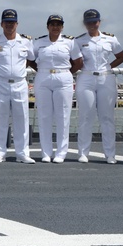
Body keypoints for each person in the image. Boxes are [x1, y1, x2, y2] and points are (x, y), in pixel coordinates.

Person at [0, 9, 35, 164]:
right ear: (1, 24)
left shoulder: (26, 41)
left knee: (22, 118)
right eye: (6, 22)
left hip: (19, 83)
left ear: (17, 24)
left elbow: (31, 58)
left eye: (12, 22)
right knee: (0, 118)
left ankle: (22, 153)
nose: (9, 25)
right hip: (1, 83)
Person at [74, 9, 123, 164]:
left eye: (95, 21)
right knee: (85, 117)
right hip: (86, 77)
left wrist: (108, 67)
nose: (92, 25)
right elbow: (75, 60)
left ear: (99, 22)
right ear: (84, 24)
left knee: (107, 117)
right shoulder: (78, 41)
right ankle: (83, 152)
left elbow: (121, 56)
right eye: (89, 22)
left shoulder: (110, 39)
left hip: (105, 78)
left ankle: (110, 154)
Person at [31, 14, 83, 163]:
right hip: (43, 78)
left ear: (62, 27)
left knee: (63, 116)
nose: (55, 27)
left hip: (63, 78)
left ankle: (61, 152)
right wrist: (41, 70)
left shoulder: (70, 42)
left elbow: (78, 62)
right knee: (44, 116)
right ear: (47, 26)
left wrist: (66, 73)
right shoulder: (39, 42)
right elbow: (30, 60)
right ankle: (46, 153)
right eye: (52, 24)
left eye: (58, 24)